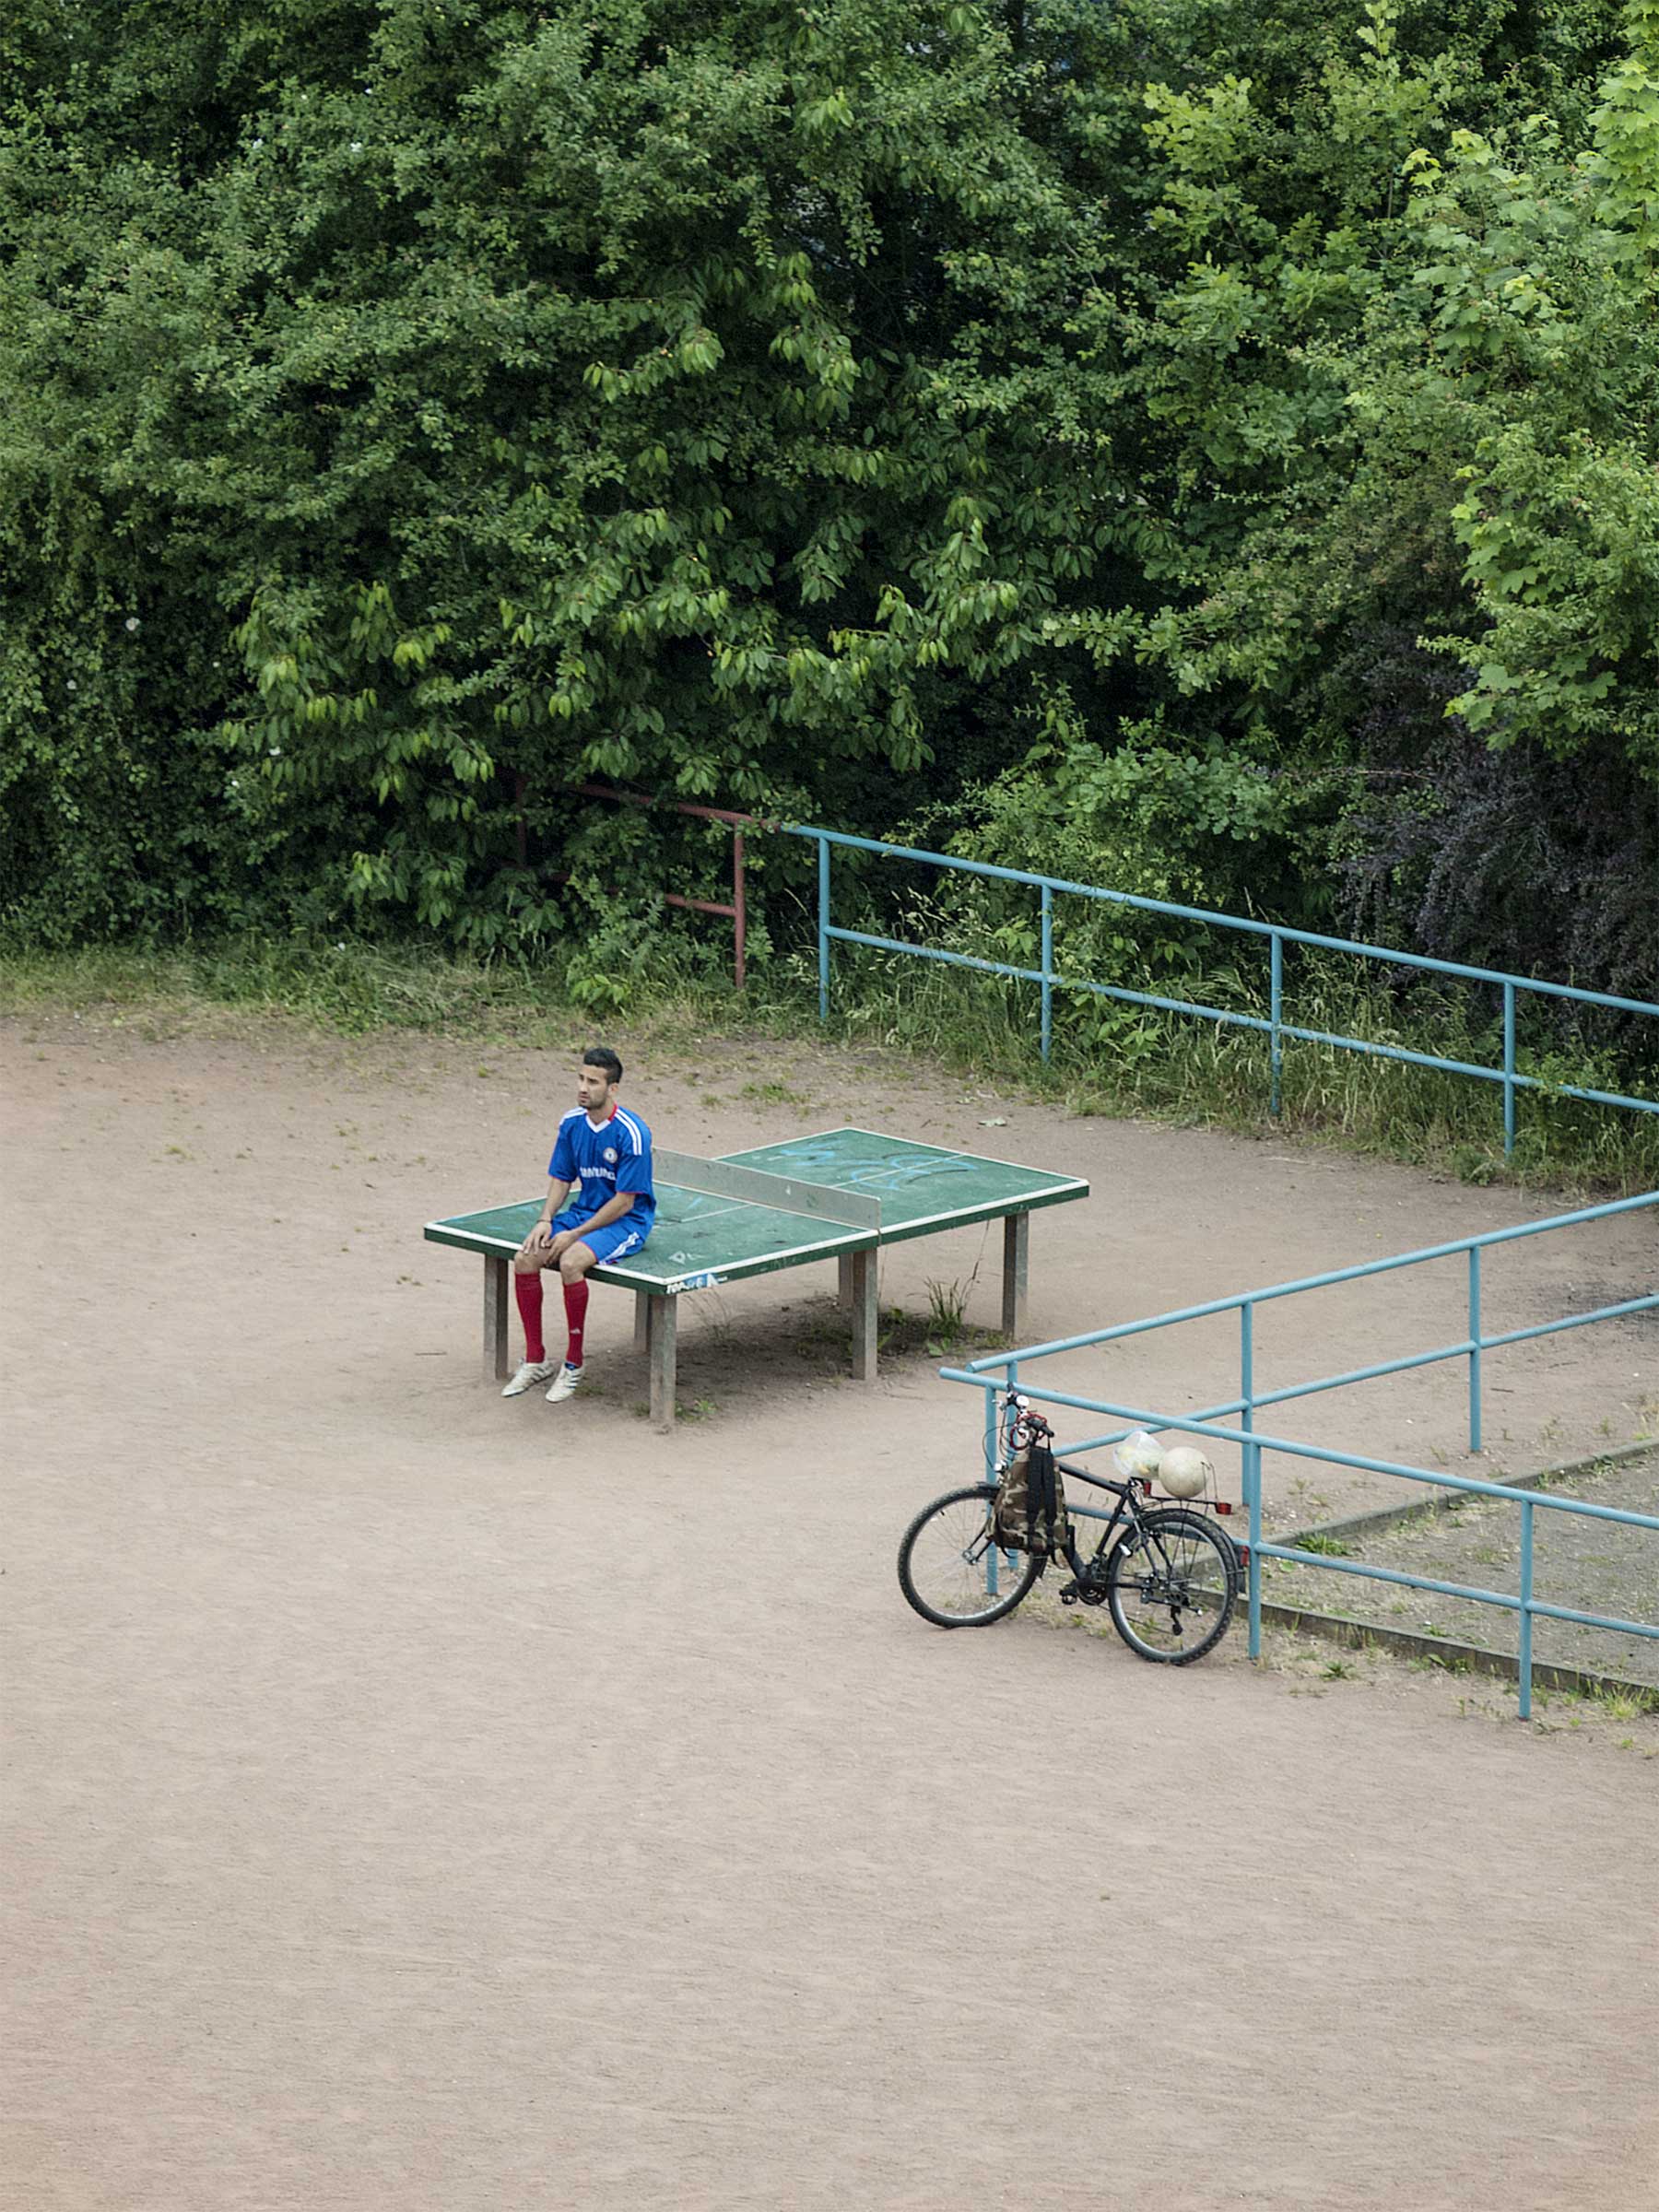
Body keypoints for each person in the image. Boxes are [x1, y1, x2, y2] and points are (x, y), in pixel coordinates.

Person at [502, 1045, 654, 1404]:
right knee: (525, 1258)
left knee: (571, 1262)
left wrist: (574, 1234)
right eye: (581, 1078)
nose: (583, 1087)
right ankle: (536, 1360)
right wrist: (546, 1220)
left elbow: (624, 1201)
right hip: (583, 1213)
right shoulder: (571, 1123)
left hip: (625, 1222)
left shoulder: (632, 1133)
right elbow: (561, 1177)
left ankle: (573, 1364)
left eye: (593, 1081)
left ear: (612, 1088)